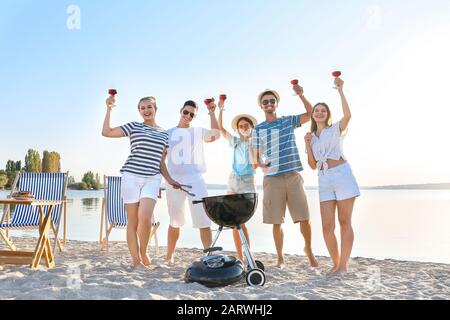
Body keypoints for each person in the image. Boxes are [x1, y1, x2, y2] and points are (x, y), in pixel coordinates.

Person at [102, 94, 180, 270]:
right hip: (131, 176)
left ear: (155, 109)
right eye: (142, 108)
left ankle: (143, 252)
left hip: (152, 178)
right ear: (139, 111)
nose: (146, 110)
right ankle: (136, 260)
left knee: (145, 217)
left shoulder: (164, 134)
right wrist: (109, 109)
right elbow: (106, 132)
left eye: (149, 107)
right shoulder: (134, 126)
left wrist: (169, 179)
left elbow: (161, 162)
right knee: (133, 220)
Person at [252, 83, 318, 268]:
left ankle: (309, 251)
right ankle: (280, 258)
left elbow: (311, 113)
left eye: (272, 101)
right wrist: (261, 164)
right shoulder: (258, 129)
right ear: (261, 106)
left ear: (276, 104)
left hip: (293, 175)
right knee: (276, 221)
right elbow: (255, 155)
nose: (269, 103)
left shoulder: (288, 121)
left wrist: (301, 95)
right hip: (272, 179)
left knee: (304, 217)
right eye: (265, 102)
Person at [304, 76, 360, 273]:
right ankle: (336, 263)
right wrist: (307, 145)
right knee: (327, 226)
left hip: (342, 175)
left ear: (327, 114)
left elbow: (348, 116)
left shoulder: (335, 128)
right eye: (316, 110)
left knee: (345, 222)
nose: (319, 112)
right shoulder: (311, 138)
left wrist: (340, 91)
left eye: (323, 110)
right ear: (312, 115)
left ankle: (343, 265)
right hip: (323, 179)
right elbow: (312, 165)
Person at [164, 99, 221, 264]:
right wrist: (168, 179)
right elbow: (161, 159)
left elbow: (216, 134)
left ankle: (209, 256)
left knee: (203, 220)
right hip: (173, 181)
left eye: (192, 114)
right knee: (174, 221)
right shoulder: (168, 133)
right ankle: (169, 256)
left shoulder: (198, 131)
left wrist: (212, 112)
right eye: (186, 112)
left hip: (196, 180)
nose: (188, 116)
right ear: (180, 110)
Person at [217, 97, 258, 261]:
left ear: (251, 127)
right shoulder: (234, 141)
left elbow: (255, 166)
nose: (243, 128)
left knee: (242, 220)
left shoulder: (256, 142)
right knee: (235, 221)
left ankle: (248, 254)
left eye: (246, 126)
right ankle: (240, 255)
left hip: (247, 181)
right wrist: (221, 109)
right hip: (233, 180)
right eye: (240, 126)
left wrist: (250, 147)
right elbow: (220, 128)